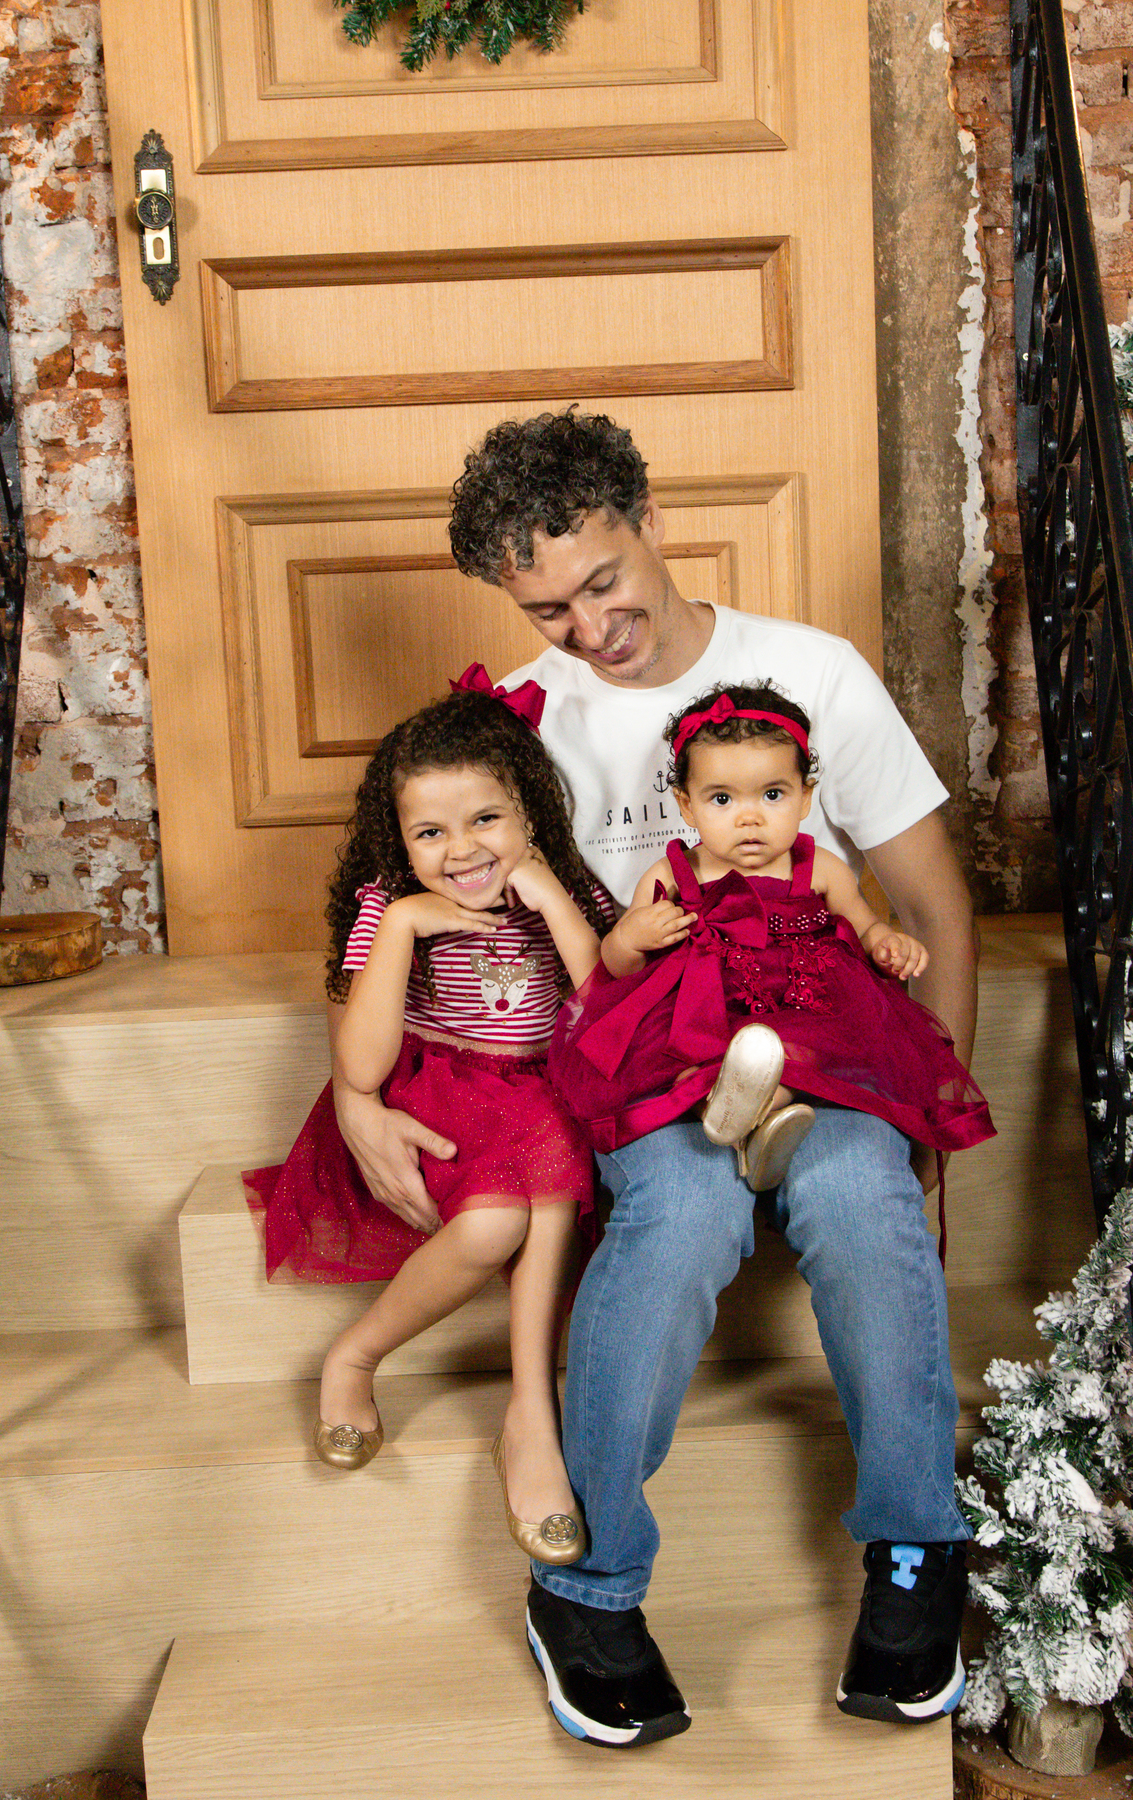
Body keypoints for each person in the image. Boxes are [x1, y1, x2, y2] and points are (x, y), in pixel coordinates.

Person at [332, 409, 981, 1745]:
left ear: (652, 522)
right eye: (548, 610)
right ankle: (588, 1584)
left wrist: (932, 1131)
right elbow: (405, 892)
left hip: (826, 1045)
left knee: (863, 1198)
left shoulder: (813, 672)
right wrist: (356, 1094)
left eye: (604, 581)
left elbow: (930, 906)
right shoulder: (523, 724)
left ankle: (916, 1549)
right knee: (681, 1212)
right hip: (647, 1061)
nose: (590, 628)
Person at [245, 673, 612, 1565]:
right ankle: (360, 1356)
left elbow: (607, 1017)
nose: (462, 850)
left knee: (550, 1177)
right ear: (399, 838)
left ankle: (530, 1410)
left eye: (486, 819)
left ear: (530, 814)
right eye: (430, 832)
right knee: (495, 1224)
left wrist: (554, 899)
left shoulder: (564, 887)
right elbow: (362, 1067)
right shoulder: (389, 905)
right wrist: (407, 926)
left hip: (542, 1090)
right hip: (442, 1092)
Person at [548, 680, 994, 1204]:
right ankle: (735, 1115)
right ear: (686, 805)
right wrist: (630, 936)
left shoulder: (818, 867)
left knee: (803, 1060)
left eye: (773, 794)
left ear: (805, 796)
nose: (750, 817)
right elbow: (618, 967)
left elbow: (864, 924)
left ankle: (760, 1117)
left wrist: (886, 944)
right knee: (687, 1072)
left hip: (805, 1004)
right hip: (705, 1011)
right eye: (722, 799)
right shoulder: (672, 875)